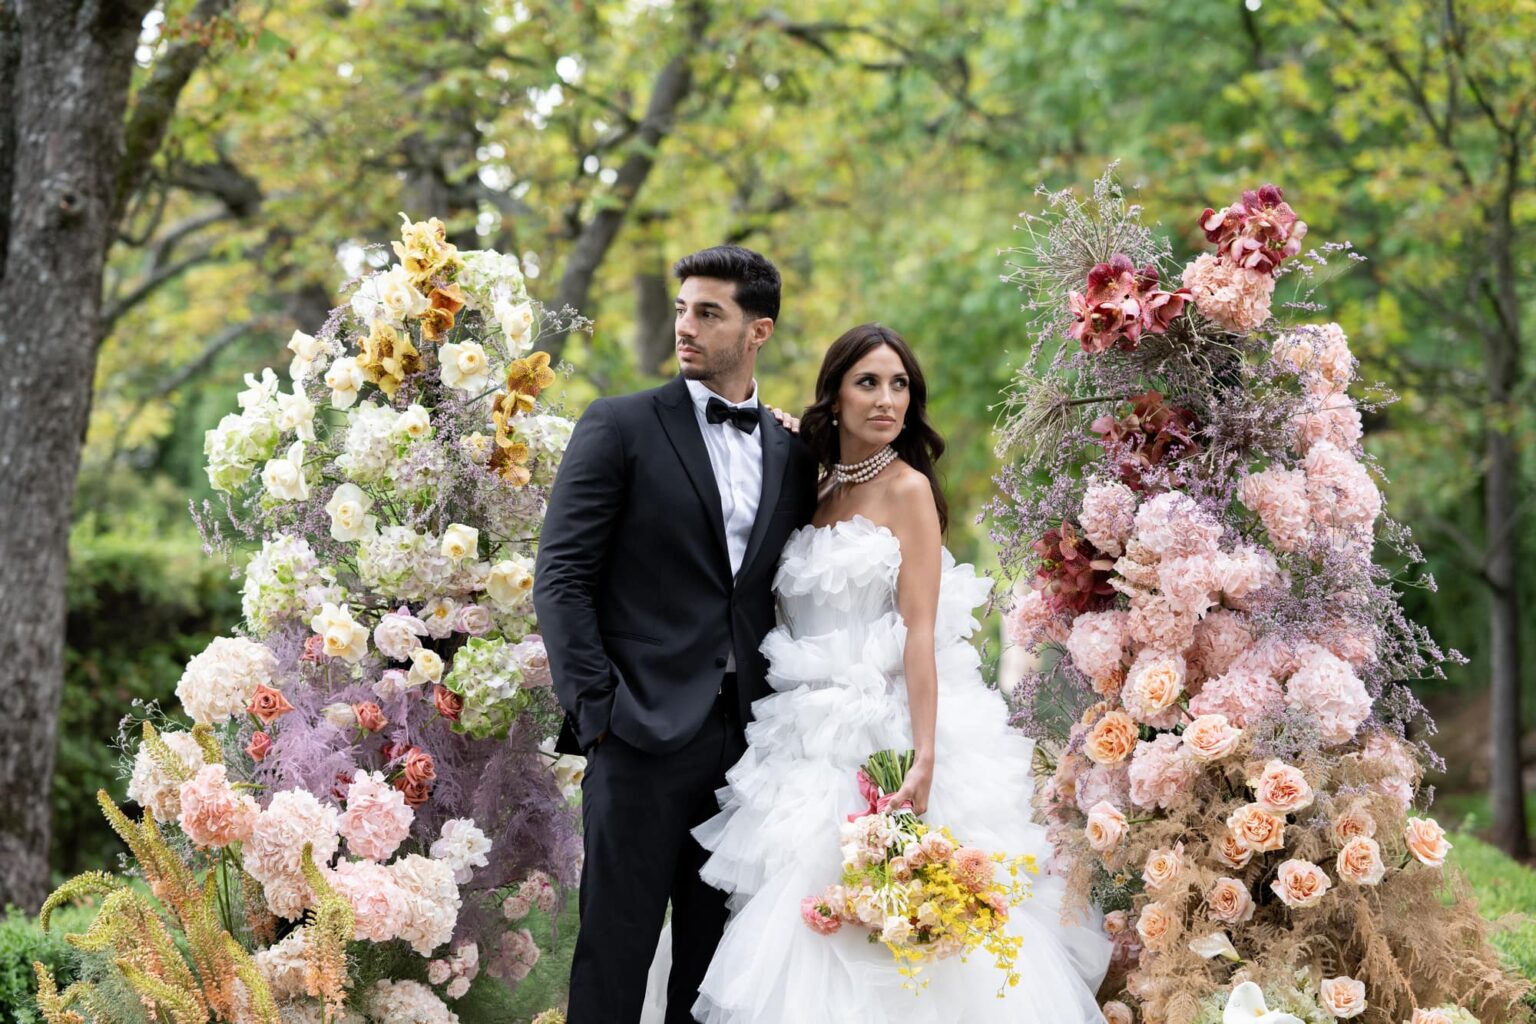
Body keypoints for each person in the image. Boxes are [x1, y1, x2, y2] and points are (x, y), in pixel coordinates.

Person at [680, 323, 1112, 1022]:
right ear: (835, 396)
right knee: (808, 922)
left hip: (886, 734)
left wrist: (926, 756)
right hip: (800, 740)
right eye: (868, 382)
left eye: (900, 384)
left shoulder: (908, 489)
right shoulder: (812, 490)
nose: (887, 400)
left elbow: (919, 632)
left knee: (910, 924)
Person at [534, 244, 820, 1023]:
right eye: (682, 308)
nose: (685, 327)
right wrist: (600, 713)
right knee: (615, 955)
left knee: (717, 968)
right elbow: (560, 579)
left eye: (708, 313)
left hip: (753, 745)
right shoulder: (619, 425)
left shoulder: (793, 452)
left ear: (757, 331)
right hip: (638, 733)